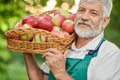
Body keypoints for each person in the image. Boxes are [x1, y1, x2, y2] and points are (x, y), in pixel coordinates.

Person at [23, 0, 120, 80]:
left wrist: (61, 73)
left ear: (105, 21)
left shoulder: (110, 54)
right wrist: (26, 48)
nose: (84, 17)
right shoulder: (62, 42)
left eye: (93, 13)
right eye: (81, 10)